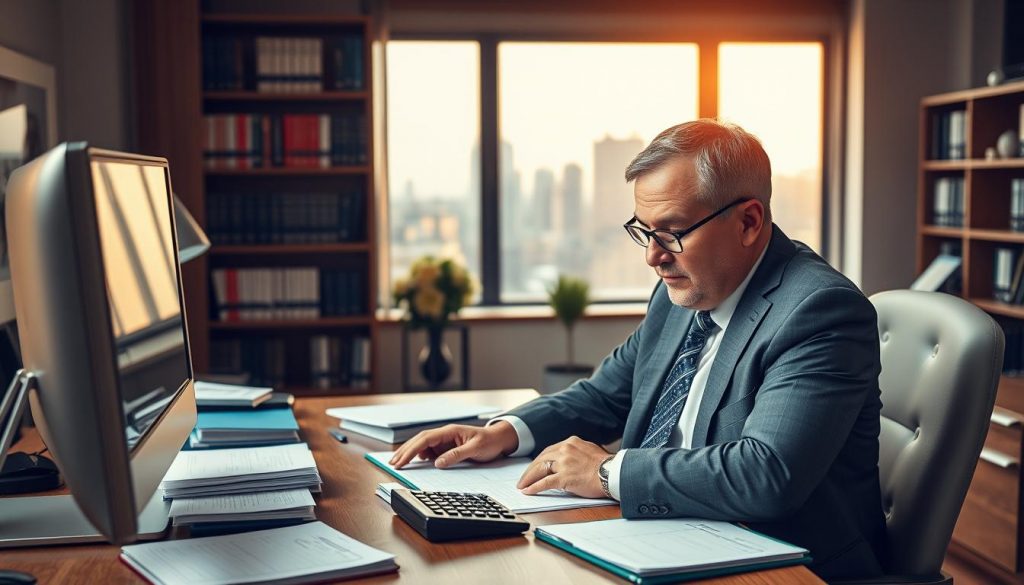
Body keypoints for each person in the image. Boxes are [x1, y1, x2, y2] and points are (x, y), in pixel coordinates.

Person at [391, 119, 887, 580]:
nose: (653, 256)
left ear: (749, 222)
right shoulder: (682, 291)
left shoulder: (819, 311)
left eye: (672, 232)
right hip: (662, 538)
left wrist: (607, 472)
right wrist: (502, 433)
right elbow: (604, 396)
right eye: (644, 232)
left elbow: (767, 474)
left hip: (780, 565)